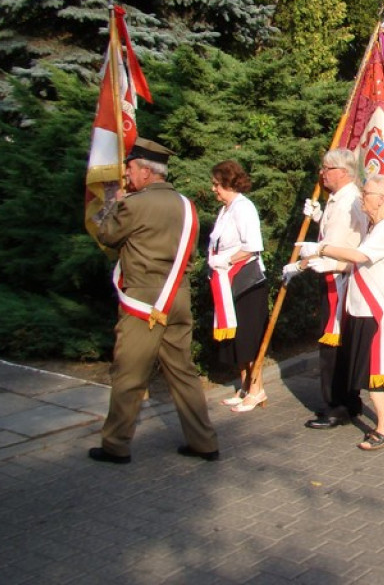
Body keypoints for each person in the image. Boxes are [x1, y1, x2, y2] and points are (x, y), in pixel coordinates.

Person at [90, 138, 219, 464]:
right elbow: (190, 253)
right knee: (183, 371)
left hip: (144, 302)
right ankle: (204, 441)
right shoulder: (187, 206)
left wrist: (115, 203)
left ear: (146, 172)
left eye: (131, 169)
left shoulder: (134, 204)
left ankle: (116, 444)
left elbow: (106, 235)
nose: (126, 176)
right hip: (178, 296)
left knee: (130, 373)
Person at [301, 176, 384, 451]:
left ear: (382, 199)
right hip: (366, 310)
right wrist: (324, 263)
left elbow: (359, 257)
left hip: (377, 312)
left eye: (367, 193)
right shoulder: (377, 227)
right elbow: (360, 262)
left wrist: (321, 248)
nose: (362, 197)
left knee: (374, 371)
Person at [285, 148, 368, 430]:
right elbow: (336, 233)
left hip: (340, 278)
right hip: (331, 275)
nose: (322, 173)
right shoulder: (338, 199)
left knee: (334, 345)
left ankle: (337, 406)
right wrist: (320, 217)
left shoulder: (352, 201)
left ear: (342, 173)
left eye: (327, 168)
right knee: (338, 344)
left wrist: (302, 264)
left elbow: (354, 240)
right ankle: (346, 401)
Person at [207, 160, 269, 413]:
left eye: (216, 184)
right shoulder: (226, 209)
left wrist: (226, 260)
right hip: (227, 281)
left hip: (247, 281)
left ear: (229, 183)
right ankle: (244, 387)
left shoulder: (244, 208)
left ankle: (257, 389)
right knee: (235, 338)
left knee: (248, 338)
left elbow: (252, 245)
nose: (214, 189)